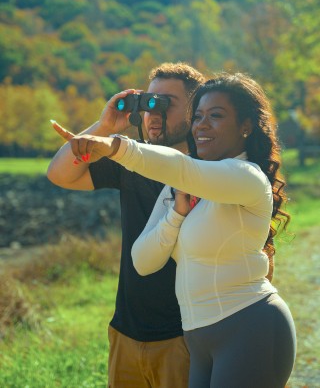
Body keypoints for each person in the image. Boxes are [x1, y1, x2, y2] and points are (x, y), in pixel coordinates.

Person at [62, 72, 296, 388]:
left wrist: (115, 146)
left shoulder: (247, 177)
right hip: (198, 340)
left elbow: (182, 166)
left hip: (250, 326)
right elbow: (143, 261)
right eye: (198, 116)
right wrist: (176, 214)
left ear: (246, 126)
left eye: (216, 116)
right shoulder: (180, 190)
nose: (202, 124)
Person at [47, 62, 205, 388]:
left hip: (185, 336)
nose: (154, 112)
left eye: (167, 103)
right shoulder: (131, 162)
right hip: (126, 330)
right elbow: (60, 173)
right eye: (149, 102)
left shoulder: (207, 172)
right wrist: (104, 125)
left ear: (194, 111)